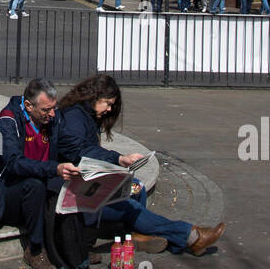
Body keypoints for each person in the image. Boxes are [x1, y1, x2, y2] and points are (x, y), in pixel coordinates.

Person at [57, 74, 225, 256]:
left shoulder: (87, 115)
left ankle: (138, 235)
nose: (109, 109)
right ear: (93, 97)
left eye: (112, 104)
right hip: (75, 189)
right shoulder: (74, 117)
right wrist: (118, 159)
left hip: (90, 179)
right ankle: (191, 236)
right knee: (131, 208)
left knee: (137, 188)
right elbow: (78, 152)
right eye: (107, 103)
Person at [0, 78, 81, 269]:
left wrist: (116, 158)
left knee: (71, 182)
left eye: (54, 107)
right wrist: (54, 168)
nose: (52, 114)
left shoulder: (52, 119)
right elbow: (14, 163)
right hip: (6, 194)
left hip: (38, 189)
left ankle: (75, 246)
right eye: (46, 110)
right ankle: (35, 249)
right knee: (34, 184)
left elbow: (75, 147)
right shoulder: (6, 122)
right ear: (28, 105)